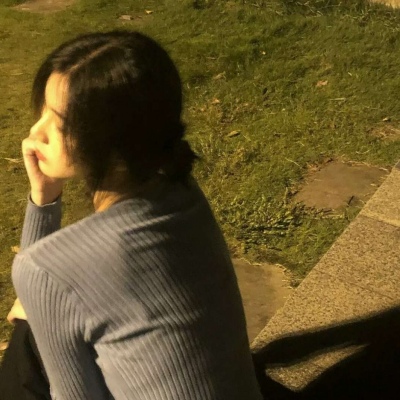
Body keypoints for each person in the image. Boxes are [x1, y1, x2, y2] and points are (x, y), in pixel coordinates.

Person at [6, 30, 263, 400]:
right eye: (42, 111)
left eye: (59, 123)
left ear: (112, 138)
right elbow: (40, 290)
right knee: (34, 332)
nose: (36, 132)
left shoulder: (49, 269)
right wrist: (45, 194)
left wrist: (43, 208)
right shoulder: (182, 194)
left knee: (25, 347)